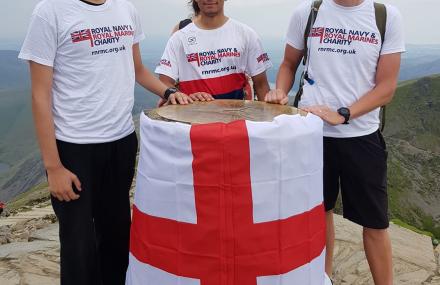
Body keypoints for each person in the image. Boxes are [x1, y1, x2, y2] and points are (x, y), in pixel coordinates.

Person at [18, 0, 189, 284]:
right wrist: (53, 167)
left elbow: (137, 70)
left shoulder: (126, 9)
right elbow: (40, 95)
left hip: (121, 141)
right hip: (74, 147)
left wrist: (170, 91)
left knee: (117, 235)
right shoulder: (50, 12)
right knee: (78, 245)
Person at [265, 0, 405, 284]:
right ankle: (322, 279)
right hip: (311, 133)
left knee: (375, 223)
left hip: (362, 135)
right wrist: (280, 90)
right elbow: (289, 63)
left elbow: (386, 87)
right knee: (319, 213)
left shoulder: (385, 16)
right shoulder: (307, 13)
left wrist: (344, 114)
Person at [156, 0, 272, 103]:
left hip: (235, 121)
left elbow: (261, 85)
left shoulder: (246, 34)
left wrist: (270, 122)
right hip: (192, 123)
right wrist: (183, 96)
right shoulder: (179, 38)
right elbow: (164, 82)